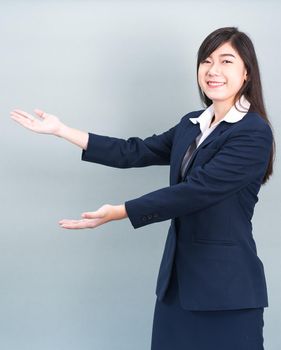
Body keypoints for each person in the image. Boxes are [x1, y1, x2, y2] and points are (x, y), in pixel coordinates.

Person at [10, 26, 275, 350]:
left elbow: (195, 192)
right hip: (177, 286)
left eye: (226, 61)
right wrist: (63, 130)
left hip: (226, 291)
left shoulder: (253, 133)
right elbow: (134, 151)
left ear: (246, 72)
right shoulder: (191, 124)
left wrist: (119, 212)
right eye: (206, 61)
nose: (213, 70)